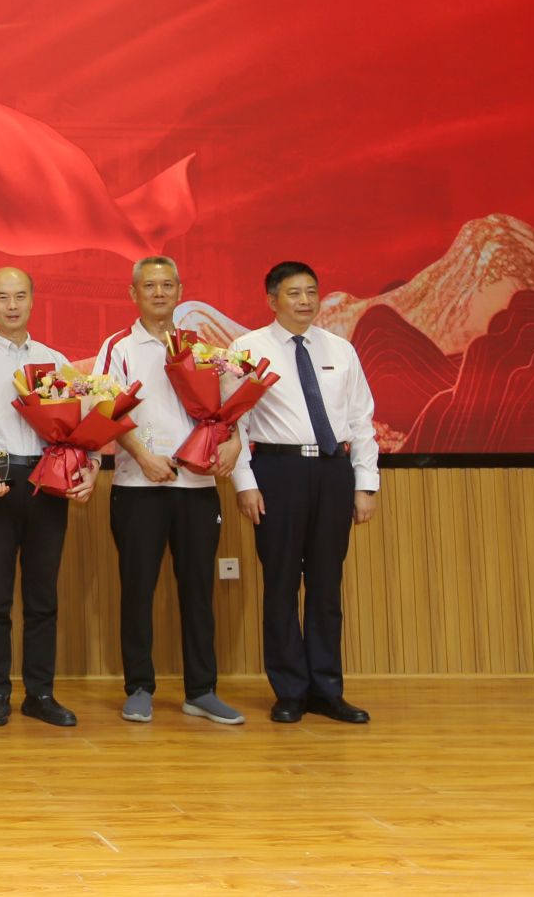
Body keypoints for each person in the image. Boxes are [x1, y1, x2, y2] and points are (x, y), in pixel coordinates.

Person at [93, 257, 245, 726]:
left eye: (166, 285)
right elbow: (106, 407)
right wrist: (142, 456)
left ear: (180, 290)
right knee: (138, 590)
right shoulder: (118, 346)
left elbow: (228, 409)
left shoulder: (202, 348)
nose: (159, 293)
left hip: (197, 486)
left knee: (198, 590)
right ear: (133, 293)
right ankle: (139, 687)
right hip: (138, 486)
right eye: (149, 286)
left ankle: (201, 690)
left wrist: (234, 441)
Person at [231, 260, 380, 725]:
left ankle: (327, 690)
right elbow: (234, 423)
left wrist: (365, 484)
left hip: (333, 471)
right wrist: (245, 483)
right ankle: (290, 690)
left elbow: (361, 421)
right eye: (294, 293)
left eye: (311, 292)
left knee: (326, 584)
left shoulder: (340, 349)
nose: (305, 301)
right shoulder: (247, 349)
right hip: (278, 470)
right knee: (280, 584)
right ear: (272, 299)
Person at [0, 267, 97, 729]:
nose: (12, 305)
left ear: (33, 300)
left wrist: (88, 466)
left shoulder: (56, 361)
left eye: (19, 296)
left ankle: (40, 694)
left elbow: (75, 428)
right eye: (2, 297)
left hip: (47, 481)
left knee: (42, 597)